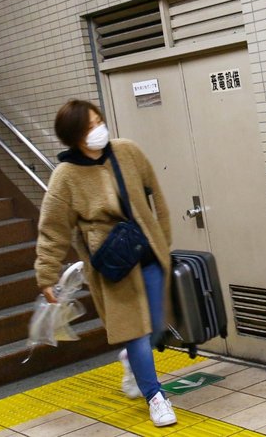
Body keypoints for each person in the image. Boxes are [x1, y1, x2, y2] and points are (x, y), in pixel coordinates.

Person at [34, 100, 176, 427]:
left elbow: (156, 194)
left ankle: (130, 358)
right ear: (74, 137)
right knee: (135, 330)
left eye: (99, 121)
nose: (98, 129)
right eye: (89, 126)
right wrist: (46, 274)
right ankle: (156, 396)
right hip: (112, 264)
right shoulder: (65, 176)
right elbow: (53, 229)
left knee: (154, 325)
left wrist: (163, 239)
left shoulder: (128, 152)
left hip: (147, 251)